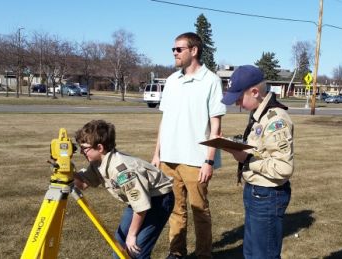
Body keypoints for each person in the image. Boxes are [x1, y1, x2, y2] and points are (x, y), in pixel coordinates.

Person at [151, 32, 226, 259]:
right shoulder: (172, 81)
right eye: (173, 49)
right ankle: (176, 253)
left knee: (200, 211)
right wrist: (157, 154)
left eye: (178, 49)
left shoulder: (211, 80)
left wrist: (209, 161)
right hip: (169, 159)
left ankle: (204, 254)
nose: (174, 53)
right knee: (174, 209)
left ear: (193, 51)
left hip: (196, 160)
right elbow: (165, 120)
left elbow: (216, 127)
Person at [219, 65, 294, 259]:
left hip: (268, 195)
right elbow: (260, 147)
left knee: (263, 255)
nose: (237, 102)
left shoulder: (276, 119)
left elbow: (283, 167)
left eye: (239, 97)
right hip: (255, 191)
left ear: (255, 92)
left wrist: (247, 160)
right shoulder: (258, 113)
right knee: (251, 253)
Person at [72, 120, 174, 259]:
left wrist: (132, 235)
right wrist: (65, 169)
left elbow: (141, 207)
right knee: (119, 246)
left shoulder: (123, 171)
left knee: (136, 250)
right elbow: (82, 183)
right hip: (139, 202)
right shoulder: (98, 163)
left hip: (158, 200)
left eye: (84, 148)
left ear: (100, 147)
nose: (82, 152)